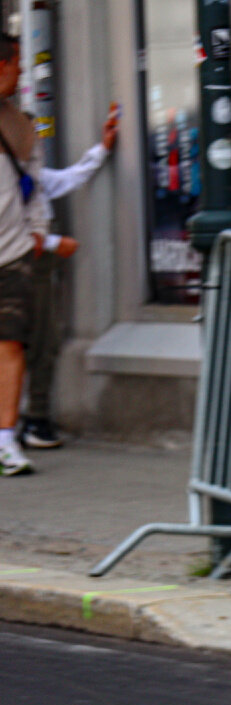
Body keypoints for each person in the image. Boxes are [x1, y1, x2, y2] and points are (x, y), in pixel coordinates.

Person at [18, 103, 120, 449]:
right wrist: (52, 242)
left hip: (37, 263)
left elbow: (70, 177)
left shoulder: (33, 175)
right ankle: (29, 421)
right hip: (22, 262)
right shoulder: (11, 176)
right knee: (25, 343)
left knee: (41, 342)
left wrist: (102, 149)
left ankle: (33, 417)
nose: (36, 143)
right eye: (30, 136)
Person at [0, 32, 49, 476]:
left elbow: (34, 184)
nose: (20, 72)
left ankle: (5, 441)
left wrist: (38, 231)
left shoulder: (20, 124)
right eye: (16, 63)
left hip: (11, 250)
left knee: (11, 342)